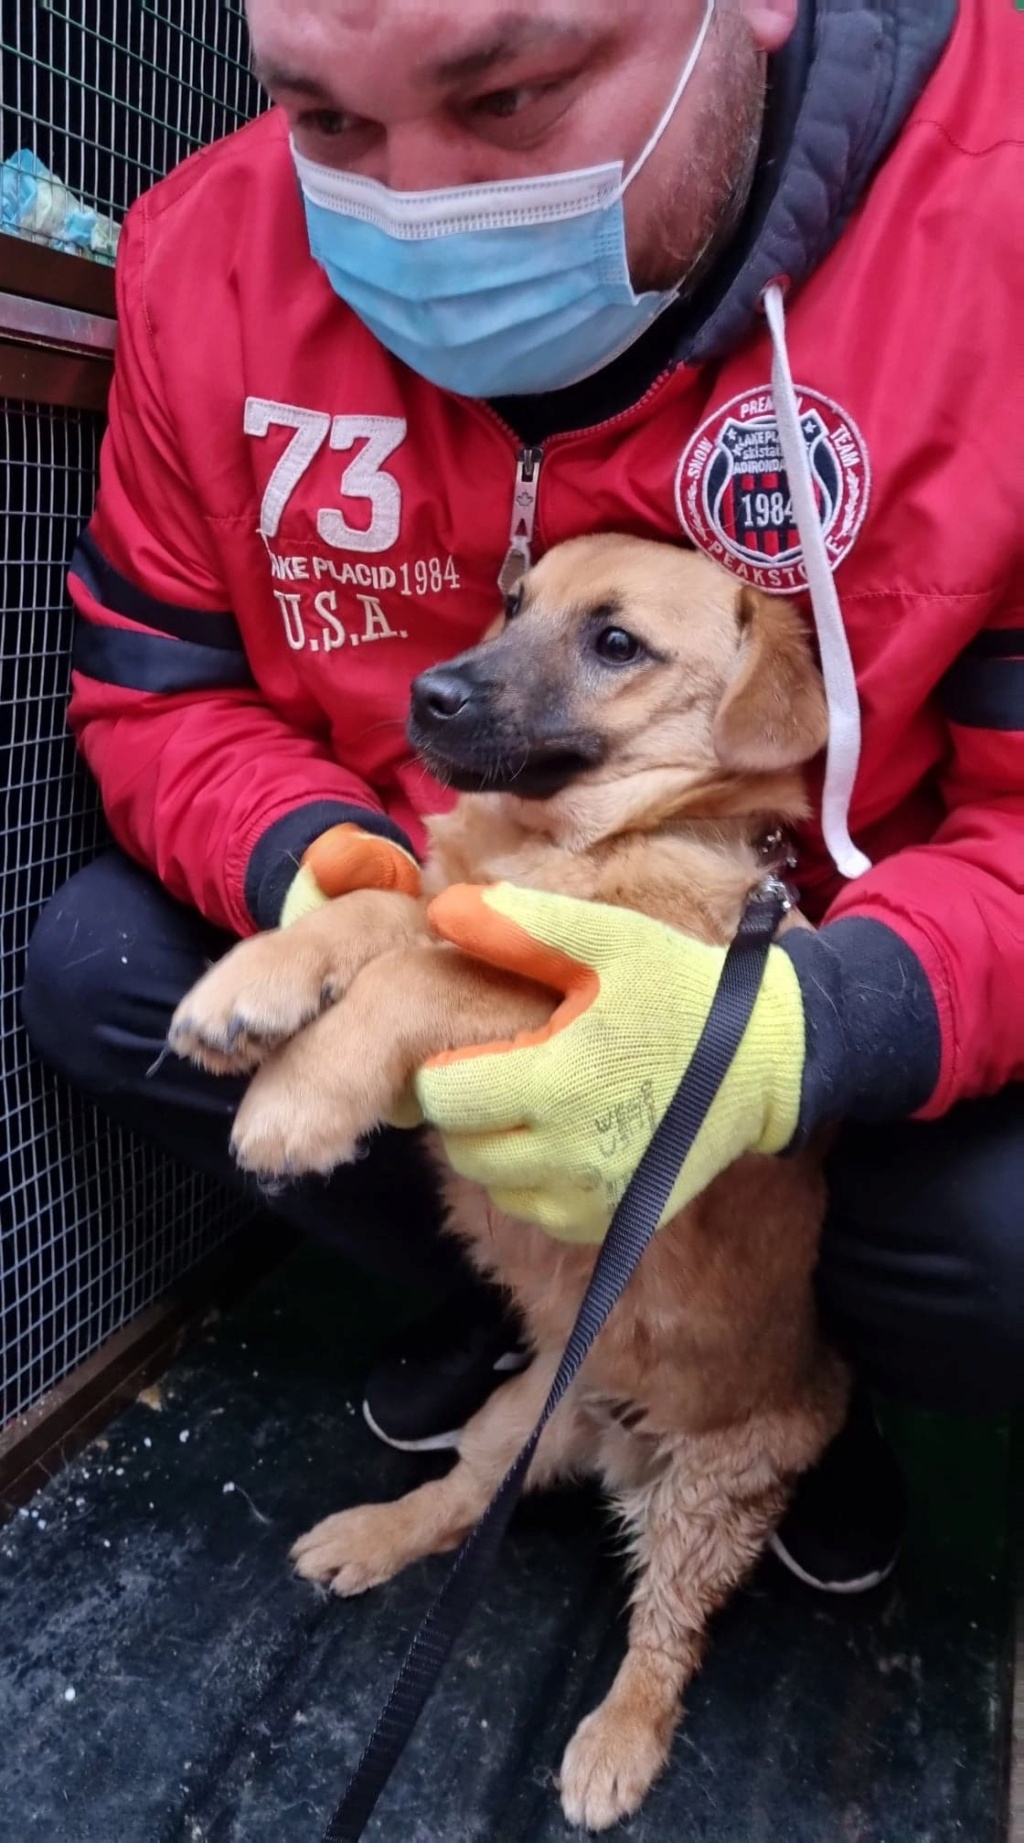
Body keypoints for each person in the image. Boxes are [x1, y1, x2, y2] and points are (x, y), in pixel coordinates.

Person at [21, 0, 1023, 1599]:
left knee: (1002, 1237)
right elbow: (162, 695)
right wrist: (342, 884)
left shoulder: (995, 216)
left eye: (506, 95)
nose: (414, 199)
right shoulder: (200, 257)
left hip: (832, 961)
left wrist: (805, 1034)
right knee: (101, 969)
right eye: (327, 121)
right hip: (440, 877)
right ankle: (531, 1326)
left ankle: (789, 1399)